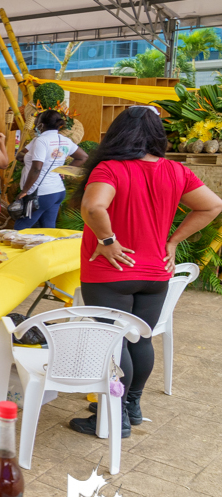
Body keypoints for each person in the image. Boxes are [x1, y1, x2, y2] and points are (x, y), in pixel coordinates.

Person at [68, 106, 222, 438]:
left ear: (119, 134)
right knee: (141, 338)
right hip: (155, 273)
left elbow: (94, 206)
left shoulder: (110, 168)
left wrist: (108, 240)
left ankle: (116, 415)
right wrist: (173, 242)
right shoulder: (176, 170)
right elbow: (212, 205)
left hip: (111, 271)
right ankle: (132, 405)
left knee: (113, 343)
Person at [13, 110, 88, 229]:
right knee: (48, 229)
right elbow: (83, 157)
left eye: (36, 123)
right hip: (57, 191)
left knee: (19, 228)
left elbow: (37, 168)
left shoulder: (41, 141)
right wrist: (62, 170)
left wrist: (24, 191)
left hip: (40, 192)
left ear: (41, 125)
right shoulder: (64, 140)